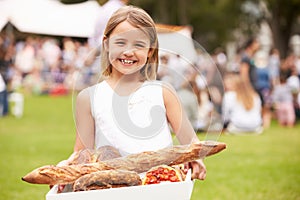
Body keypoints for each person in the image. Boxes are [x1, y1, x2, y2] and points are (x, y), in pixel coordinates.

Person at [59, 5, 206, 183]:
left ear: (150, 50)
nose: (129, 51)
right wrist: (66, 167)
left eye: (138, 44)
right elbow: (82, 154)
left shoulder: (163, 92)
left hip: (162, 186)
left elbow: (191, 143)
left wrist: (196, 158)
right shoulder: (88, 98)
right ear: (106, 44)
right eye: (120, 42)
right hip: (113, 188)